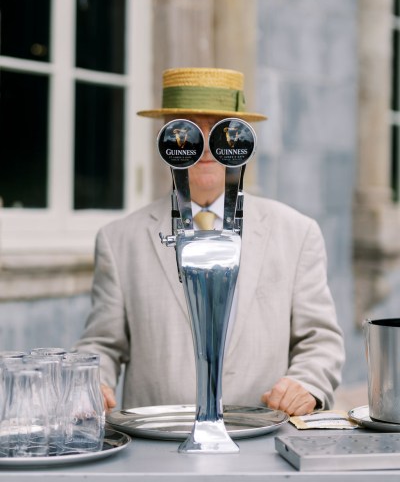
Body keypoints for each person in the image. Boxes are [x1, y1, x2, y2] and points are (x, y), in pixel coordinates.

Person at [74, 67, 345, 416]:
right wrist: (91, 381)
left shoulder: (296, 232)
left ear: (241, 140)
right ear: (166, 138)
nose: (202, 144)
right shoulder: (118, 239)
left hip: (261, 436)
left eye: (219, 129)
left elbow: (320, 340)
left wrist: (307, 384)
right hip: (158, 445)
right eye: (187, 128)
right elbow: (102, 343)